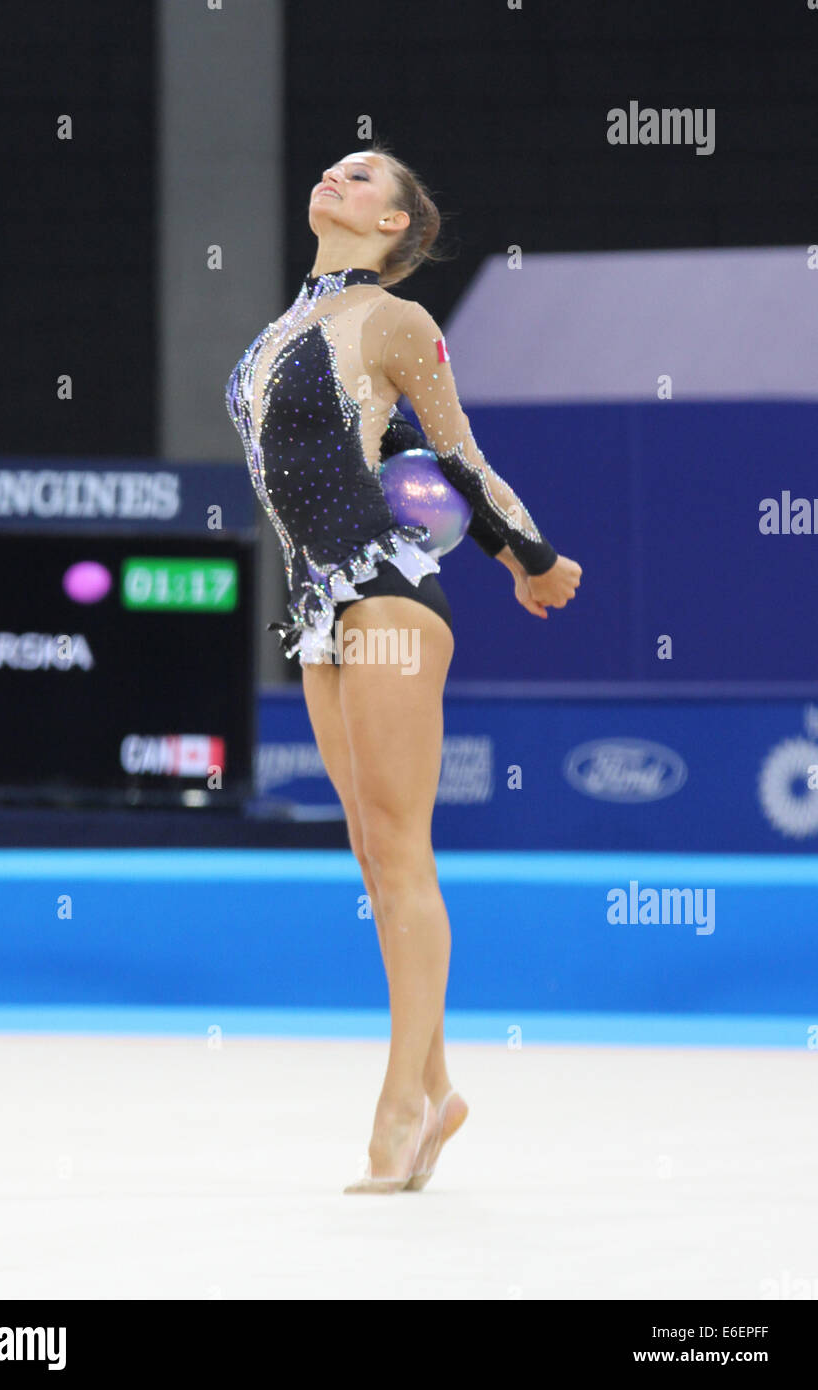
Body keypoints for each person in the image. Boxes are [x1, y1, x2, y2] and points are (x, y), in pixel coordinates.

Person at [226, 142, 582, 1193]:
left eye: (362, 176)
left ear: (395, 227)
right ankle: (440, 1086)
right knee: (372, 854)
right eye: (333, 168)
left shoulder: (394, 319)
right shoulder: (282, 329)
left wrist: (533, 558)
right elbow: (374, 458)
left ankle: (404, 1102)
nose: (336, 177)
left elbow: (457, 455)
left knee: (400, 843)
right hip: (318, 611)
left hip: (384, 598)